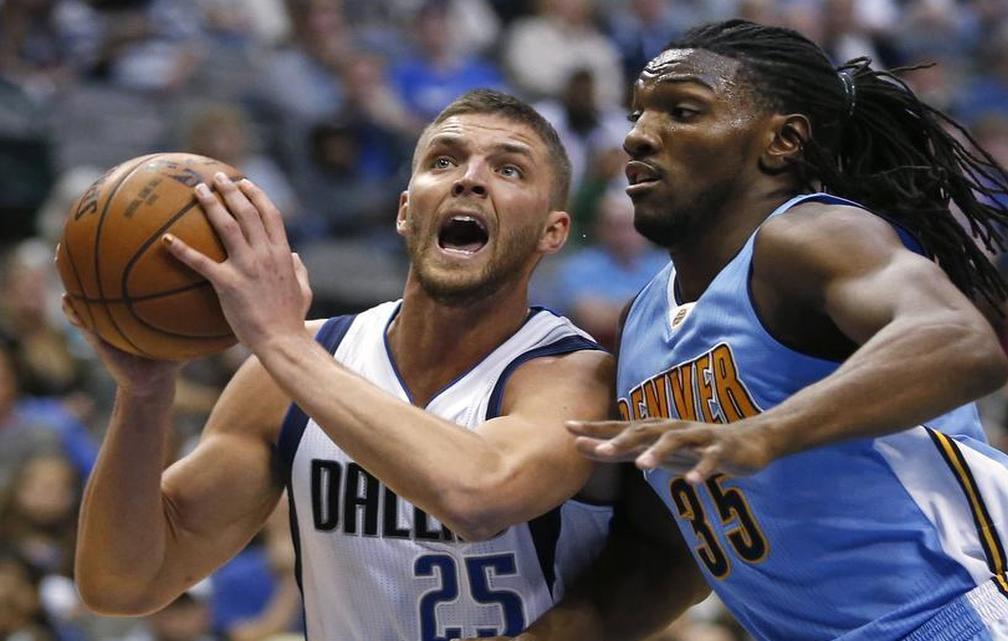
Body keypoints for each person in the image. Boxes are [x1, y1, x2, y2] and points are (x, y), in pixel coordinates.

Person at [531, 19, 1008, 641]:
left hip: (959, 619)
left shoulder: (809, 236)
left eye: (681, 111)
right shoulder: (643, 322)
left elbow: (957, 341)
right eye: (637, 113)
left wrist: (765, 434)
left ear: (782, 141)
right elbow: (665, 552)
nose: (638, 137)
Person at [66, 89, 698, 640]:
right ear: (405, 210)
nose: (469, 179)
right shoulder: (289, 370)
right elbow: (124, 584)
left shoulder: (573, 374)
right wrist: (145, 395)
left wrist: (282, 343)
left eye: (508, 169)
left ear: (552, 232)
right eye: (443, 161)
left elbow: (479, 493)